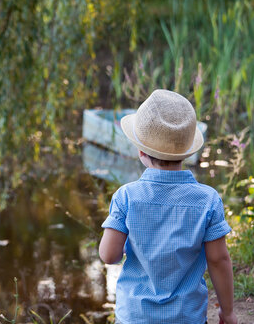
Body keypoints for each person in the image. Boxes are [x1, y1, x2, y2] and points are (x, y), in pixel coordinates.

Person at [99, 89, 237, 324]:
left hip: (134, 317)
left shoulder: (126, 197)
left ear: (141, 150)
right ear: (187, 153)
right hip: (187, 316)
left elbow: (109, 255)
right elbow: (218, 260)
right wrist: (228, 312)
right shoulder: (207, 200)